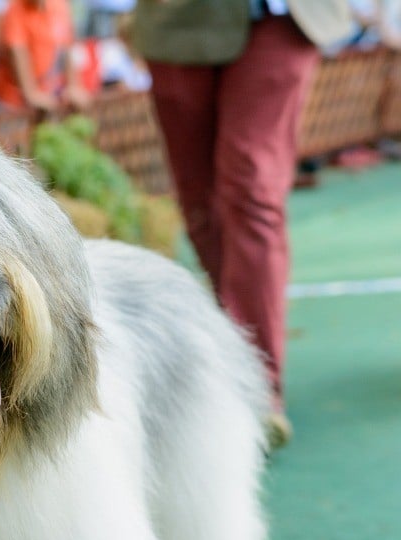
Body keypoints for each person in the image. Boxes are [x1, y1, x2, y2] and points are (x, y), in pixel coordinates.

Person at [131, 0, 353, 448]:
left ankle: (257, 386)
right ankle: (232, 359)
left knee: (251, 189)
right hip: (177, 20)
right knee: (200, 202)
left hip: (283, 16)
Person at [0, 0, 91, 112]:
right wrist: (31, 93)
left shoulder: (59, 5)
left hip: (46, 94)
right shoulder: (14, 9)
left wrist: (73, 86)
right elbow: (16, 51)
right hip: (12, 101)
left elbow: (66, 46)